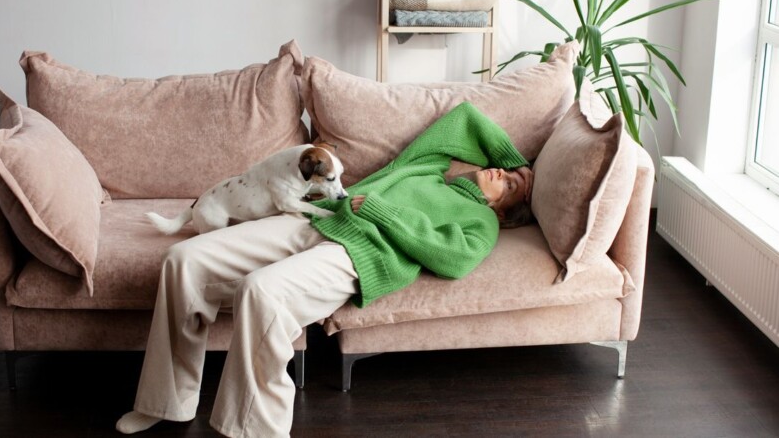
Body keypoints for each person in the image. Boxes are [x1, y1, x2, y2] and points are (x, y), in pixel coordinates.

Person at [116, 101, 535, 437]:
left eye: (510, 186)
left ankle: (251, 430)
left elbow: (456, 260)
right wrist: (521, 165)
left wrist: (384, 214)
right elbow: (465, 117)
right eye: (504, 172)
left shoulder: (481, 222)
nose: (502, 175)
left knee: (260, 292)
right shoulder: (429, 166)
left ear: (502, 210)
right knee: (183, 260)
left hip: (362, 252)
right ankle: (164, 402)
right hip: (318, 218)